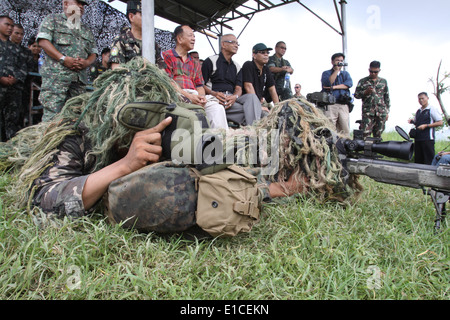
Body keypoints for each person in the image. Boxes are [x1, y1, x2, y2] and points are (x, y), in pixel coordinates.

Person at [36, 0, 98, 121]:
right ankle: (50, 140)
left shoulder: (86, 30)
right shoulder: (53, 20)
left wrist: (86, 63)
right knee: (52, 118)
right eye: (78, 2)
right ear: (65, 4)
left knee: (76, 118)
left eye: (83, 5)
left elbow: (93, 53)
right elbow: (43, 41)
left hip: (78, 82)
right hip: (56, 80)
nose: (81, 6)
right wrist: (63, 58)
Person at [201, 34, 260, 129]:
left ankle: (254, 132)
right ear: (223, 45)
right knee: (251, 112)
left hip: (230, 103)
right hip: (214, 100)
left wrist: (234, 97)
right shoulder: (210, 61)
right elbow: (200, 84)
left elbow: (238, 88)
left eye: (237, 43)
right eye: (233, 42)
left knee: (252, 99)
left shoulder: (237, 66)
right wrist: (214, 94)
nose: (236, 45)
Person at [109, 0, 165, 70]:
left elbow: (162, 72)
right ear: (131, 17)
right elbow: (117, 70)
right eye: (143, 14)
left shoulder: (153, 45)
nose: (148, 19)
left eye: (149, 15)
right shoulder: (120, 41)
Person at [162, 25, 207, 108]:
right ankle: (197, 120)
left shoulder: (195, 62)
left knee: (216, 108)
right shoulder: (167, 56)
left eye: (194, 36)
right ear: (179, 39)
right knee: (196, 113)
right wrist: (189, 96)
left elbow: (199, 86)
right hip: (176, 94)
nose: (194, 39)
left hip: (194, 94)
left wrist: (201, 98)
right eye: (190, 36)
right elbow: (167, 82)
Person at [237, 43, 279, 126]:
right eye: (262, 52)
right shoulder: (248, 65)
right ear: (254, 55)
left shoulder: (266, 69)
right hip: (244, 101)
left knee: (276, 117)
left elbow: (272, 89)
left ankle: (272, 138)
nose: (266, 55)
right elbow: (248, 87)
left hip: (257, 103)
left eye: (267, 53)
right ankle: (255, 136)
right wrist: (258, 107)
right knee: (265, 116)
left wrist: (278, 108)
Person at [0, 16, 27, 141]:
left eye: (12, 26)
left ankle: (9, 150)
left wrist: (15, 79)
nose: (10, 28)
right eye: (7, 25)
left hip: (13, 91)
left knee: (12, 121)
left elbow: (23, 68)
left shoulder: (17, 49)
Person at [354, 61, 390, 138]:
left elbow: (386, 97)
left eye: (375, 72)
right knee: (365, 134)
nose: (373, 73)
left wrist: (387, 112)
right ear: (369, 70)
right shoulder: (363, 81)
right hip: (368, 112)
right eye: (371, 71)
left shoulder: (383, 82)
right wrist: (365, 92)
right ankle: (367, 150)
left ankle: (377, 150)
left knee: (378, 135)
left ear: (379, 70)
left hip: (381, 112)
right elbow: (356, 95)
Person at [321, 53, 353, 136]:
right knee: (330, 129)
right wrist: (336, 70)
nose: (340, 62)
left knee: (344, 129)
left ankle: (344, 147)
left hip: (343, 105)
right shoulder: (326, 73)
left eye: (341, 61)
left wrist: (334, 87)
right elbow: (328, 83)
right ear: (332, 62)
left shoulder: (345, 74)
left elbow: (348, 84)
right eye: (337, 60)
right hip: (331, 105)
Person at [407, 92, 443, 165]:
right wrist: (413, 122)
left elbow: (440, 122)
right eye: (419, 99)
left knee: (428, 161)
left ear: (427, 98)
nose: (421, 100)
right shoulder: (418, 111)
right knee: (418, 161)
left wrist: (426, 126)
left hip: (428, 139)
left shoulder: (431, 109)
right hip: (418, 139)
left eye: (422, 98)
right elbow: (417, 122)